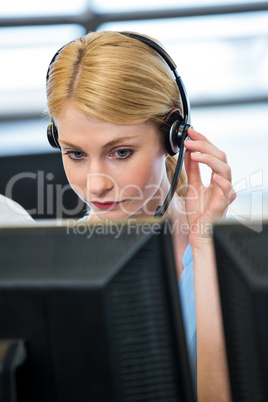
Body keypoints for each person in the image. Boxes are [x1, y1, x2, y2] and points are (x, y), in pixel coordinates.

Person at [45, 30, 236, 401]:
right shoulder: (57, 266)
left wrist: (205, 248)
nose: (96, 185)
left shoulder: (235, 258)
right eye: (76, 154)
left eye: (120, 153)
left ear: (173, 137)